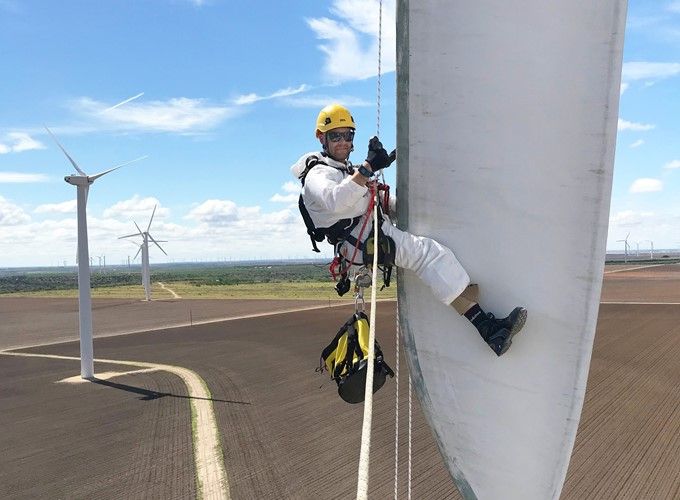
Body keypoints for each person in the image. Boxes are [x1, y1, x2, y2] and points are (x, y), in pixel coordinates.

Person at [291, 103, 527, 356]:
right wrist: (368, 168)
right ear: (321, 138)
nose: (343, 142)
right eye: (336, 136)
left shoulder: (343, 171)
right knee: (430, 255)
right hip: (362, 243)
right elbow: (337, 201)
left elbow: (369, 201)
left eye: (348, 135)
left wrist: (413, 204)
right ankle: (489, 327)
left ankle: (483, 320)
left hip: (371, 233)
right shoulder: (318, 175)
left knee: (431, 255)